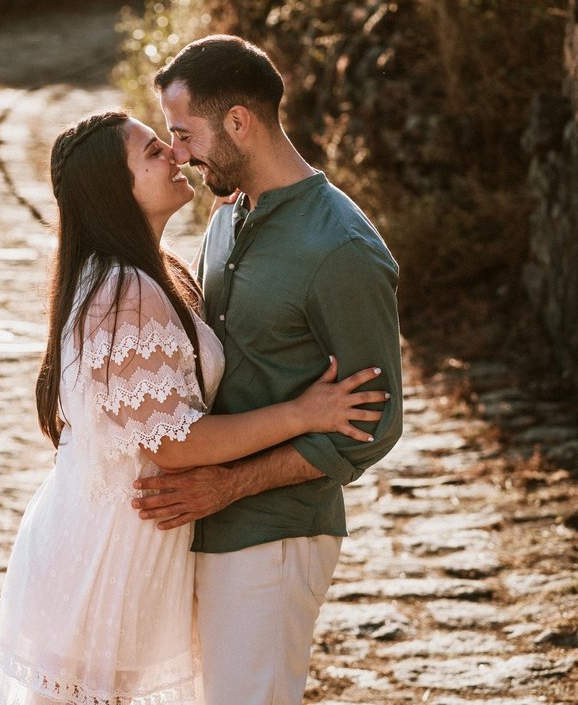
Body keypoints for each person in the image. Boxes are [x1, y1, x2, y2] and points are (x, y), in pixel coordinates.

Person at [0, 110, 390, 705]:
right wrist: (303, 414)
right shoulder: (126, 293)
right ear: (116, 193)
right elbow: (174, 445)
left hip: (134, 535)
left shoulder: (151, 271)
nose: (174, 154)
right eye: (152, 153)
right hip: (110, 546)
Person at [132, 35, 403, 705]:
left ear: (238, 123)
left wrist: (230, 484)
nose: (179, 156)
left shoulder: (340, 248)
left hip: (276, 536)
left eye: (184, 134)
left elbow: (374, 425)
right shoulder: (228, 219)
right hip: (205, 525)